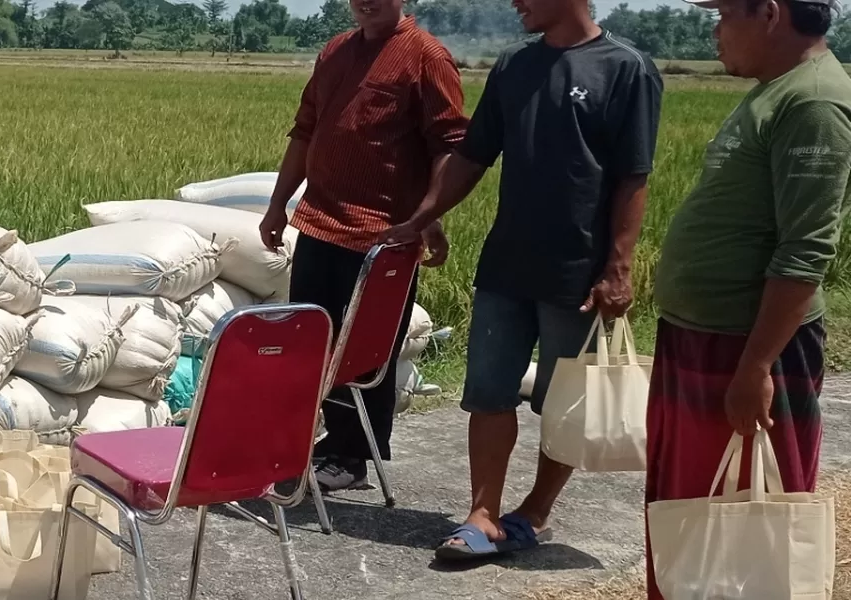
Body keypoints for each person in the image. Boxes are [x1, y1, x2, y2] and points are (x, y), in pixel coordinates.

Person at [378, 0, 663, 562]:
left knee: (563, 405)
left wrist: (618, 267)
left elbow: (634, 176)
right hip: (506, 265)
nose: (516, 3)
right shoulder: (514, 66)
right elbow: (473, 155)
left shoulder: (626, 68)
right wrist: (423, 215)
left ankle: (533, 511)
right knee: (487, 392)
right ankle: (481, 512)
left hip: (576, 274)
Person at [645, 0, 851, 596]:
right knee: (689, 514)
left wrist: (757, 365)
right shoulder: (776, 89)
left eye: (723, 14)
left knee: (745, 526)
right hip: (703, 335)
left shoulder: (813, 101)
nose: (715, 30)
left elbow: (806, 251)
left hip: (747, 348)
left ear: (769, 12)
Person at [258, 0, 470, 491]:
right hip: (317, 222)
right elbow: (305, 131)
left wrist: (429, 217)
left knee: (365, 350)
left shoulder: (426, 57)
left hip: (383, 235)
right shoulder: (336, 50)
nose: (365, 1)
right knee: (313, 342)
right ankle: (315, 442)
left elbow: (448, 144)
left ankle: (350, 457)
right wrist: (278, 205)